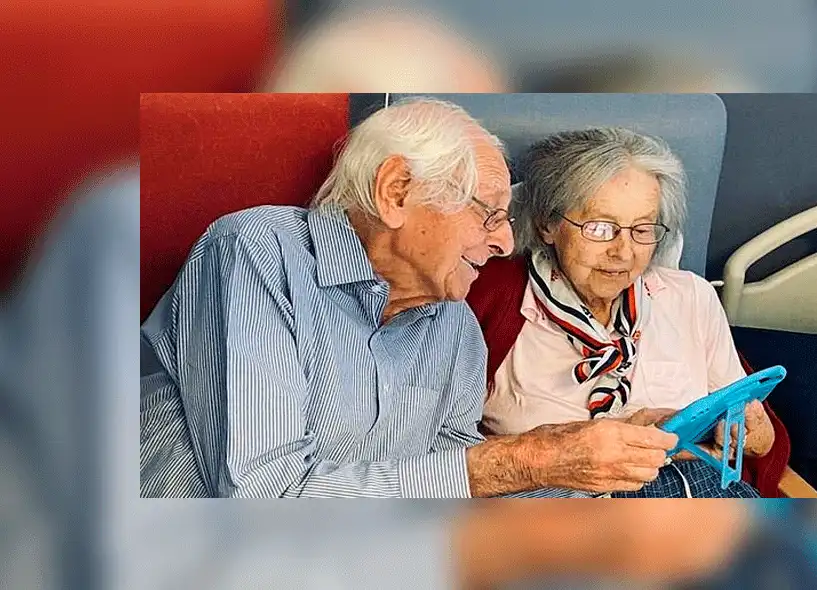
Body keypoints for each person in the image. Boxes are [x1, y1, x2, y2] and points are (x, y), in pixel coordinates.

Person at [140, 97, 678, 498]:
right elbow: (264, 500)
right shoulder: (259, 255)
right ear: (397, 192)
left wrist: (568, 455)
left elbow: (446, 484)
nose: (505, 243)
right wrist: (526, 460)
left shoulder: (455, 327)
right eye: (487, 213)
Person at [467, 127, 788, 498]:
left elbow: (760, 444)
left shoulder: (689, 298)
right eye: (600, 228)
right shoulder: (490, 301)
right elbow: (448, 460)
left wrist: (752, 430)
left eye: (642, 229)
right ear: (547, 224)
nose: (623, 252)